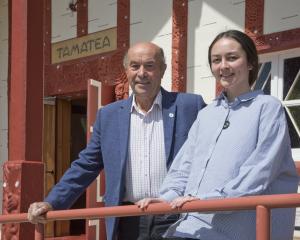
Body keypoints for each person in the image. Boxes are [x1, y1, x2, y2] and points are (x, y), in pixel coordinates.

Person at [27, 42, 206, 240]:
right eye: (135, 66)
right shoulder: (108, 116)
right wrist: (53, 202)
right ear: (126, 71)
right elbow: (86, 165)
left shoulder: (190, 106)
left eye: (149, 65)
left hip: (178, 215)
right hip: (128, 219)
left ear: (162, 70)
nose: (142, 73)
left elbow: (214, 151)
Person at [137, 30, 299, 240]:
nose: (223, 66)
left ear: (250, 62)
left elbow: (260, 170)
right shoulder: (206, 114)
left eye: (232, 58)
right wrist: (167, 198)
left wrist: (210, 200)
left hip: (240, 229)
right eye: (216, 60)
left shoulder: (267, 108)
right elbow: (184, 166)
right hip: (190, 227)